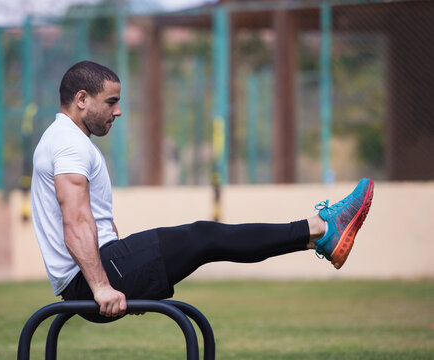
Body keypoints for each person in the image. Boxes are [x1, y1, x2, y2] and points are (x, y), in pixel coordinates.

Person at [31, 61, 374, 322]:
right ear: (81, 100)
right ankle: (318, 229)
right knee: (205, 236)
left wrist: (130, 280)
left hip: (101, 268)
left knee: (205, 237)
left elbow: (97, 221)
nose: (117, 111)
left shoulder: (66, 141)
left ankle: (319, 235)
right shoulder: (69, 146)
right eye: (111, 102)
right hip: (88, 279)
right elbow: (76, 222)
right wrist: (103, 286)